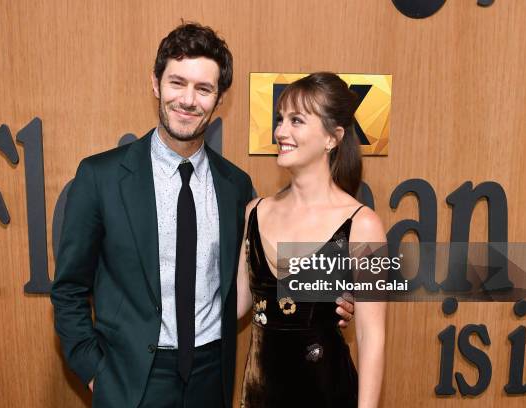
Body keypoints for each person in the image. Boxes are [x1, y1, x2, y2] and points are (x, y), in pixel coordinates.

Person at [51, 23, 355, 408]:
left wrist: (325, 298)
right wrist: (96, 372)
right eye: (177, 82)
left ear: (218, 99)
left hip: (211, 376)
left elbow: (259, 279)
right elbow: (69, 289)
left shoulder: (236, 188)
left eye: (204, 89)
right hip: (129, 379)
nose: (188, 100)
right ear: (155, 84)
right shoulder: (101, 178)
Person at [237, 72, 386, 408]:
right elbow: (236, 305)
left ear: (332, 138)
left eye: (296, 120)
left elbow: (371, 336)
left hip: (329, 395)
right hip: (260, 398)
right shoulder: (255, 213)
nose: (280, 132)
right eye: (280, 120)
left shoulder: (363, 225)